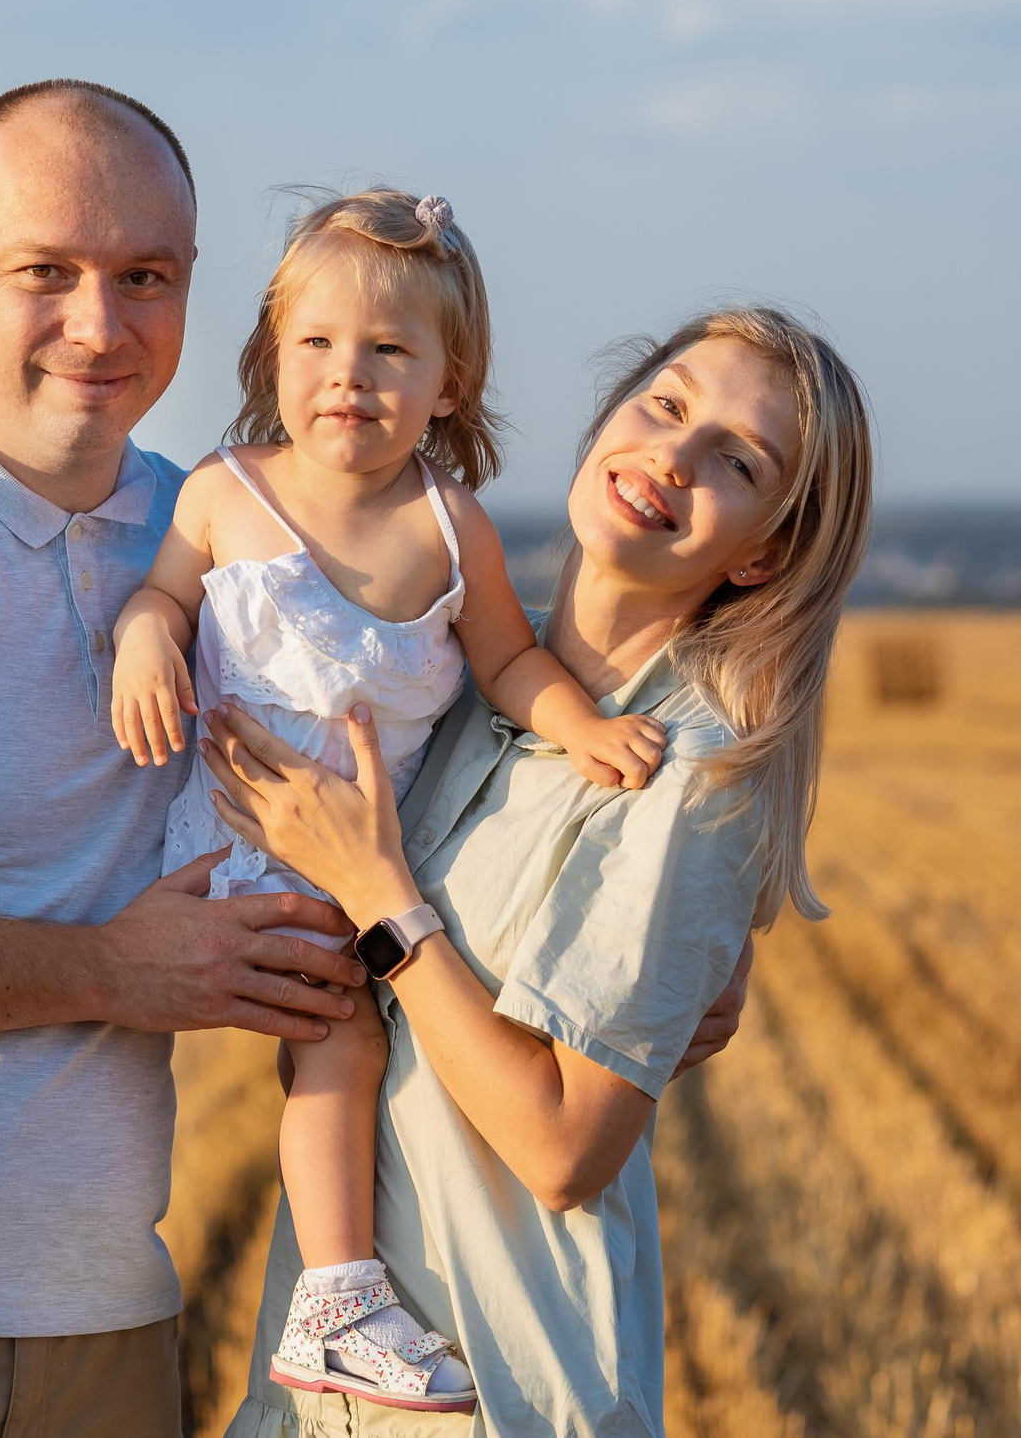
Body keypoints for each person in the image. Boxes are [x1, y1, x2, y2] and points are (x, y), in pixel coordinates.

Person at [0, 80, 754, 1438]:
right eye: (44, 270)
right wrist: (110, 968)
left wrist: (669, 943)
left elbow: (439, 746)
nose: (100, 324)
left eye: (145, 277)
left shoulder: (240, 524)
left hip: (106, 1334)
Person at [201, 306, 875, 1436]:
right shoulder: (454, 672)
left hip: (499, 1398)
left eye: (737, 462)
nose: (673, 455)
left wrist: (378, 897)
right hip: (322, 1401)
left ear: (762, 552)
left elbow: (563, 1151)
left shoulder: (695, 774)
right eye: (665, 405)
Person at [107, 189, 668, 1415]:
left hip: (368, 862)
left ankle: (336, 1295)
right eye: (315, 342)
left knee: (347, 1042)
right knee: (329, 1039)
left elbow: (511, 663)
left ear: (447, 384)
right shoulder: (223, 492)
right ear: (272, 356)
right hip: (241, 849)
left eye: (388, 350)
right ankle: (335, 1300)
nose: (346, 375)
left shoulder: (450, 529)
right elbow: (161, 599)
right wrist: (145, 641)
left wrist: (580, 728)